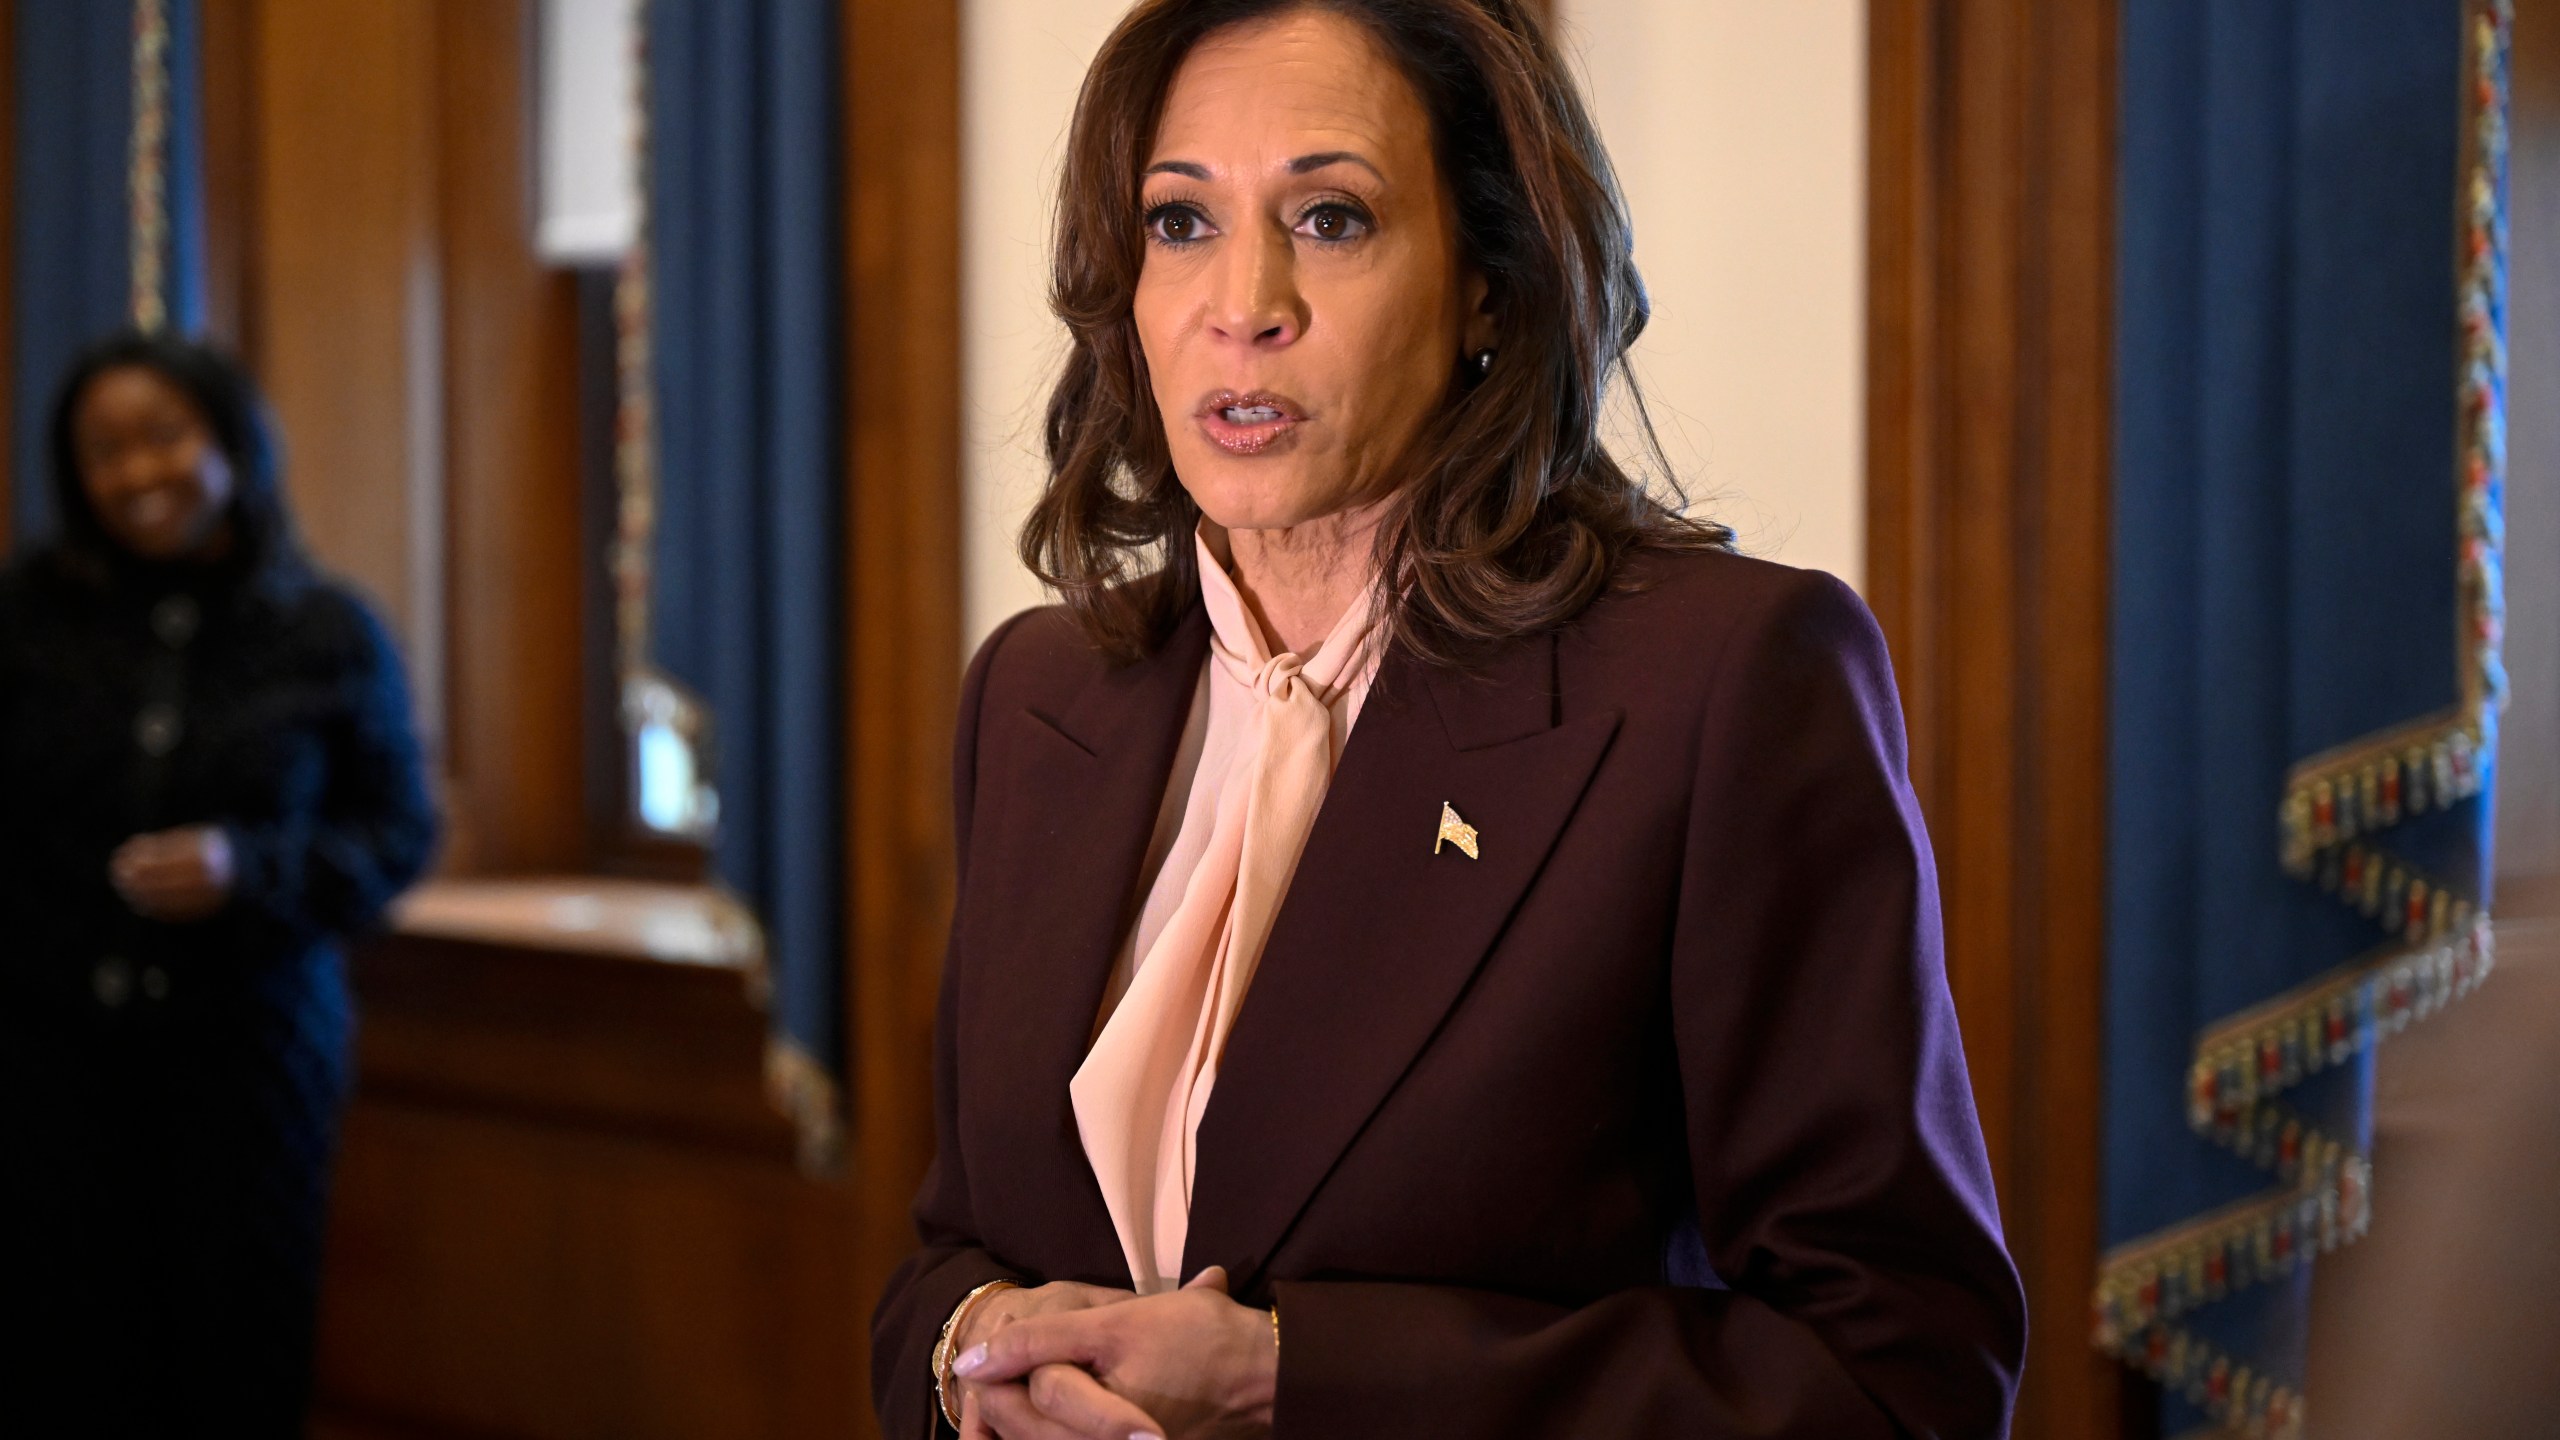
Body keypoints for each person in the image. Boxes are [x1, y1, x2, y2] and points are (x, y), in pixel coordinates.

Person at [872, 1, 2026, 1435]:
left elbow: (1902, 1373)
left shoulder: (1725, 682)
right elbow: (945, 1257)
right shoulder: (1040, 694)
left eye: (1333, 218)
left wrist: (1295, 1382)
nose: (1247, 302)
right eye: (1181, 223)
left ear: (1493, 282)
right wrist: (968, 1352)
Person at [0, 330, 438, 1434]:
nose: (138, 472)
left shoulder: (325, 628)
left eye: (164, 437)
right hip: (53, 1071)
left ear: (232, 446)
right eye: (105, 450)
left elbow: (398, 831)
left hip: (250, 1071)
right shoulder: (24, 617)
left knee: (237, 1367)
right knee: (65, 1362)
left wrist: (253, 867)